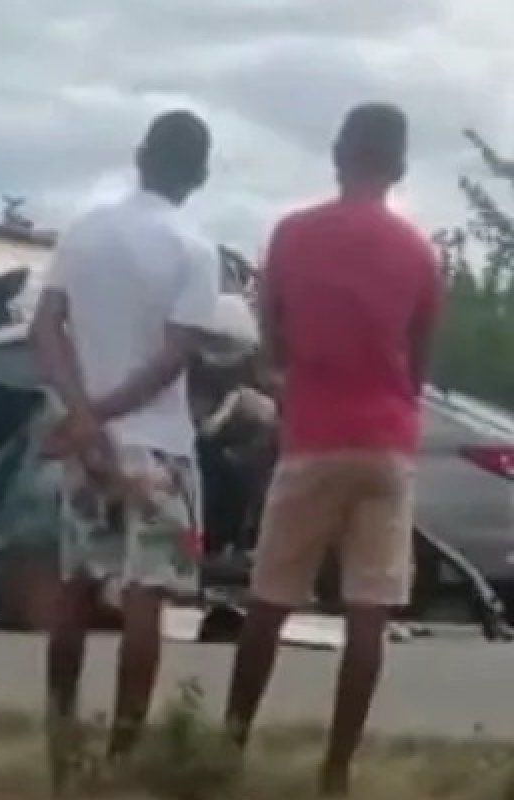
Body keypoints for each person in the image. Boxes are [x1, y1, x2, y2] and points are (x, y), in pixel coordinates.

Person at [223, 104, 442, 796]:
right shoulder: (418, 254)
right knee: (368, 612)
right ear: (399, 166)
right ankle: (337, 769)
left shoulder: (292, 235)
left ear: (338, 153)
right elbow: (418, 367)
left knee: (270, 599)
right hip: (386, 440)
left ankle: (230, 743)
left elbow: (271, 346)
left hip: (315, 433)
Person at [29, 111, 220, 788]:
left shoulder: (84, 231)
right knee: (147, 601)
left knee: (77, 590)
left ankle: (60, 739)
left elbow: (45, 327)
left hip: (92, 451)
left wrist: (82, 415)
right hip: (160, 450)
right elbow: (174, 360)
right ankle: (124, 752)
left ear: (140, 156)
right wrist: (108, 412)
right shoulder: (195, 250)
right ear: (199, 174)